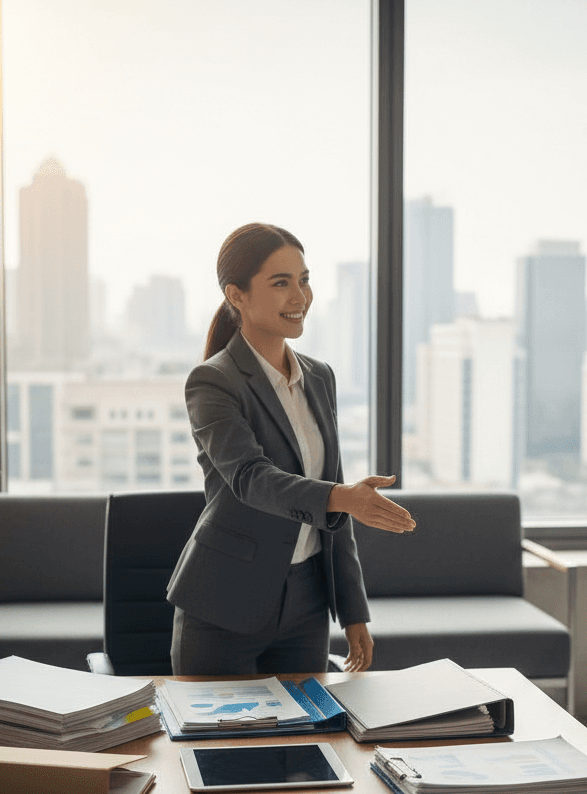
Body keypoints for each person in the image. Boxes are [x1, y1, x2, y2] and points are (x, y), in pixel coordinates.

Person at [168, 222, 415, 676]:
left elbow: (334, 489)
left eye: (304, 280)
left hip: (307, 604)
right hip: (225, 603)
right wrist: (344, 498)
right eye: (280, 283)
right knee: (220, 747)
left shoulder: (319, 377)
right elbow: (250, 478)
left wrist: (354, 610)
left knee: (304, 744)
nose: (299, 296)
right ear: (236, 295)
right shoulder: (213, 381)